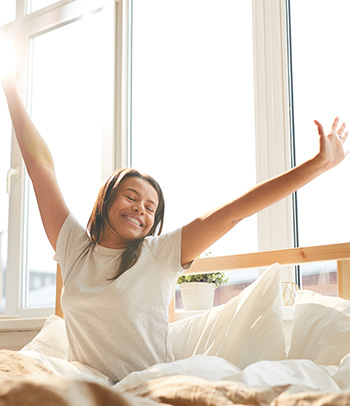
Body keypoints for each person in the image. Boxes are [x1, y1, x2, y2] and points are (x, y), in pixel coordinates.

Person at [1, 71, 348, 383]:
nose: (140, 209)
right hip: (89, 386)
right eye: (131, 197)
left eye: (150, 208)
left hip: (149, 385)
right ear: (106, 199)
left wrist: (316, 165)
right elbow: (39, 166)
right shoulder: (73, 248)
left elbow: (233, 212)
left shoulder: (159, 254)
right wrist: (10, 87)